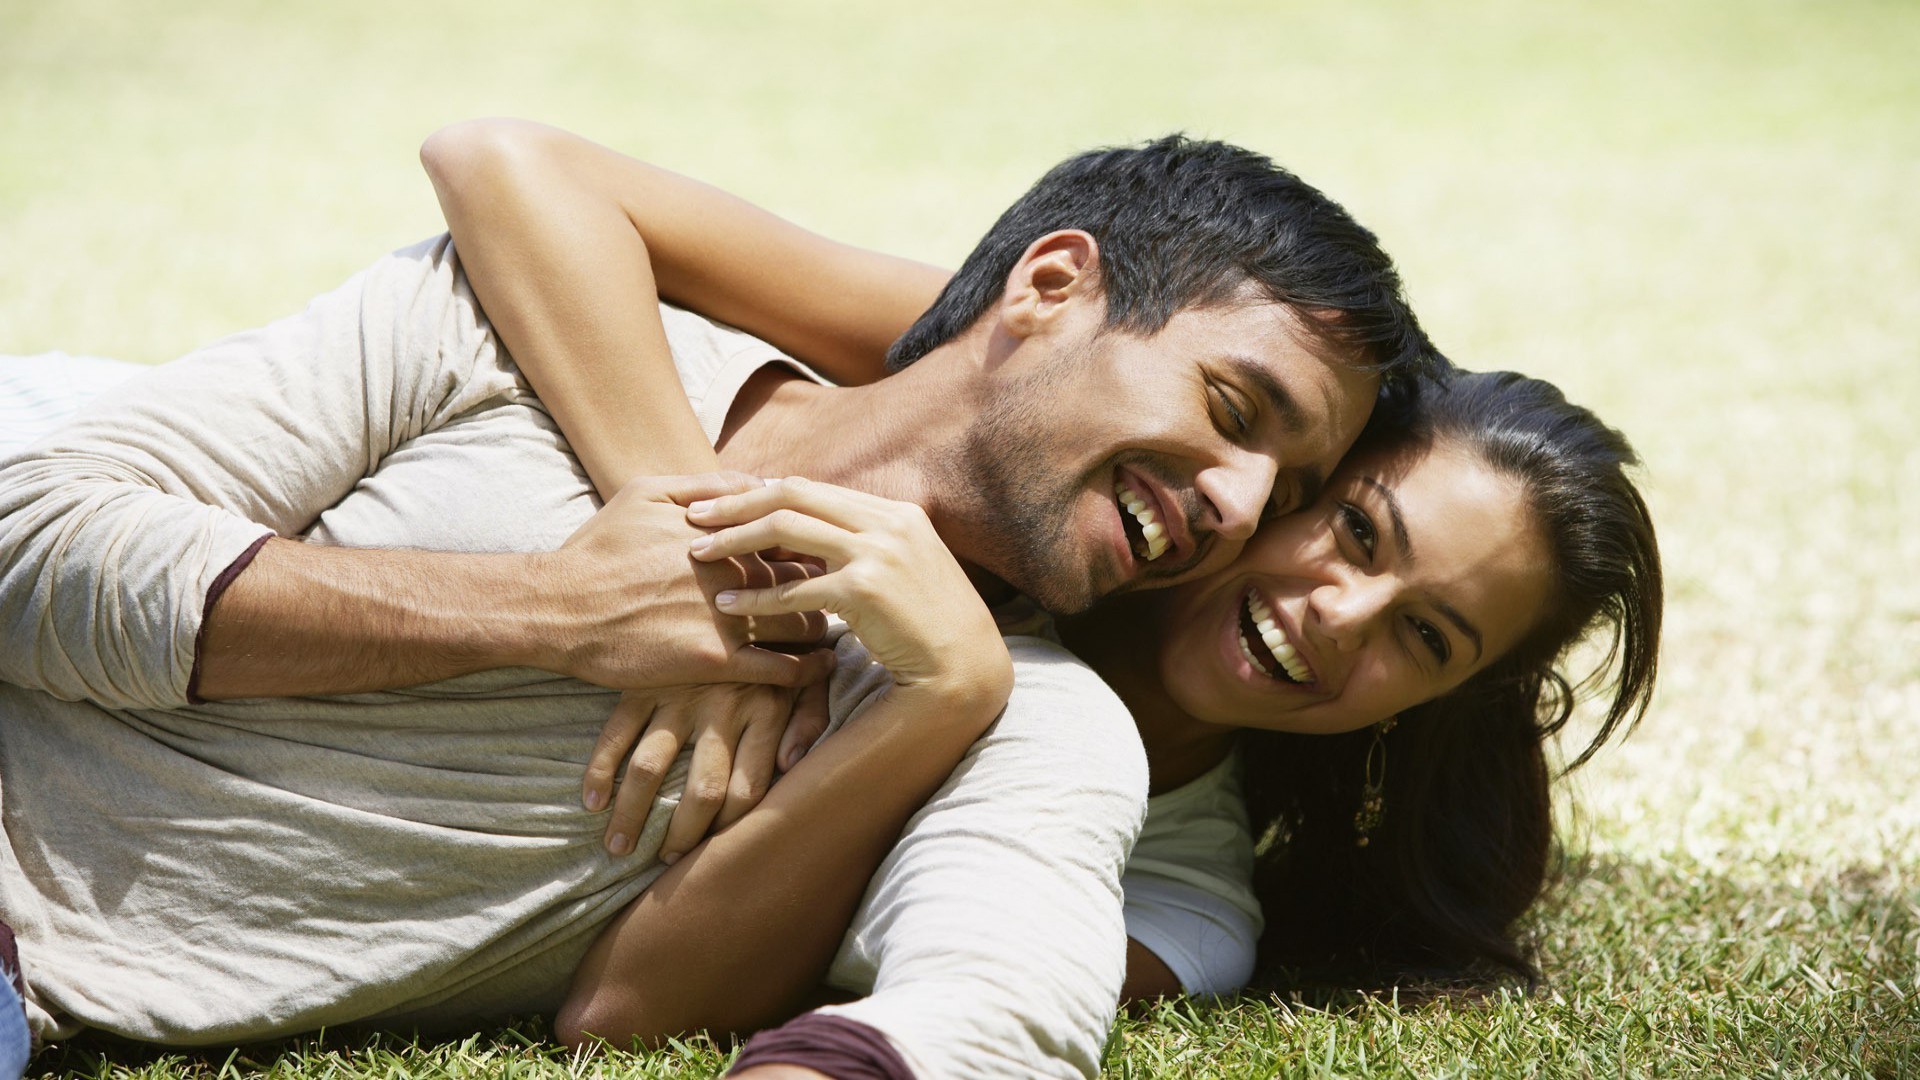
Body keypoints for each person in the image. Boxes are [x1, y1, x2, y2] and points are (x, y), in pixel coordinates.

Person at [0, 130, 1435, 1078]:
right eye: (1235, 406)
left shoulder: (1022, 720)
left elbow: (998, 996)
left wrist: (939, 700)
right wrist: (561, 609)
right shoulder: (498, 328)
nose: (1241, 510)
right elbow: (30, 552)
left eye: (1284, 484)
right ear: (1051, 286)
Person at [424, 123, 1661, 1057]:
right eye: (1349, 528)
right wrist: (707, 582)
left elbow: (883, 986)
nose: (1337, 609)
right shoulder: (1071, 404)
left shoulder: (1175, 891)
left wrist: (939, 696)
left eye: (1427, 636)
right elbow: (504, 162)